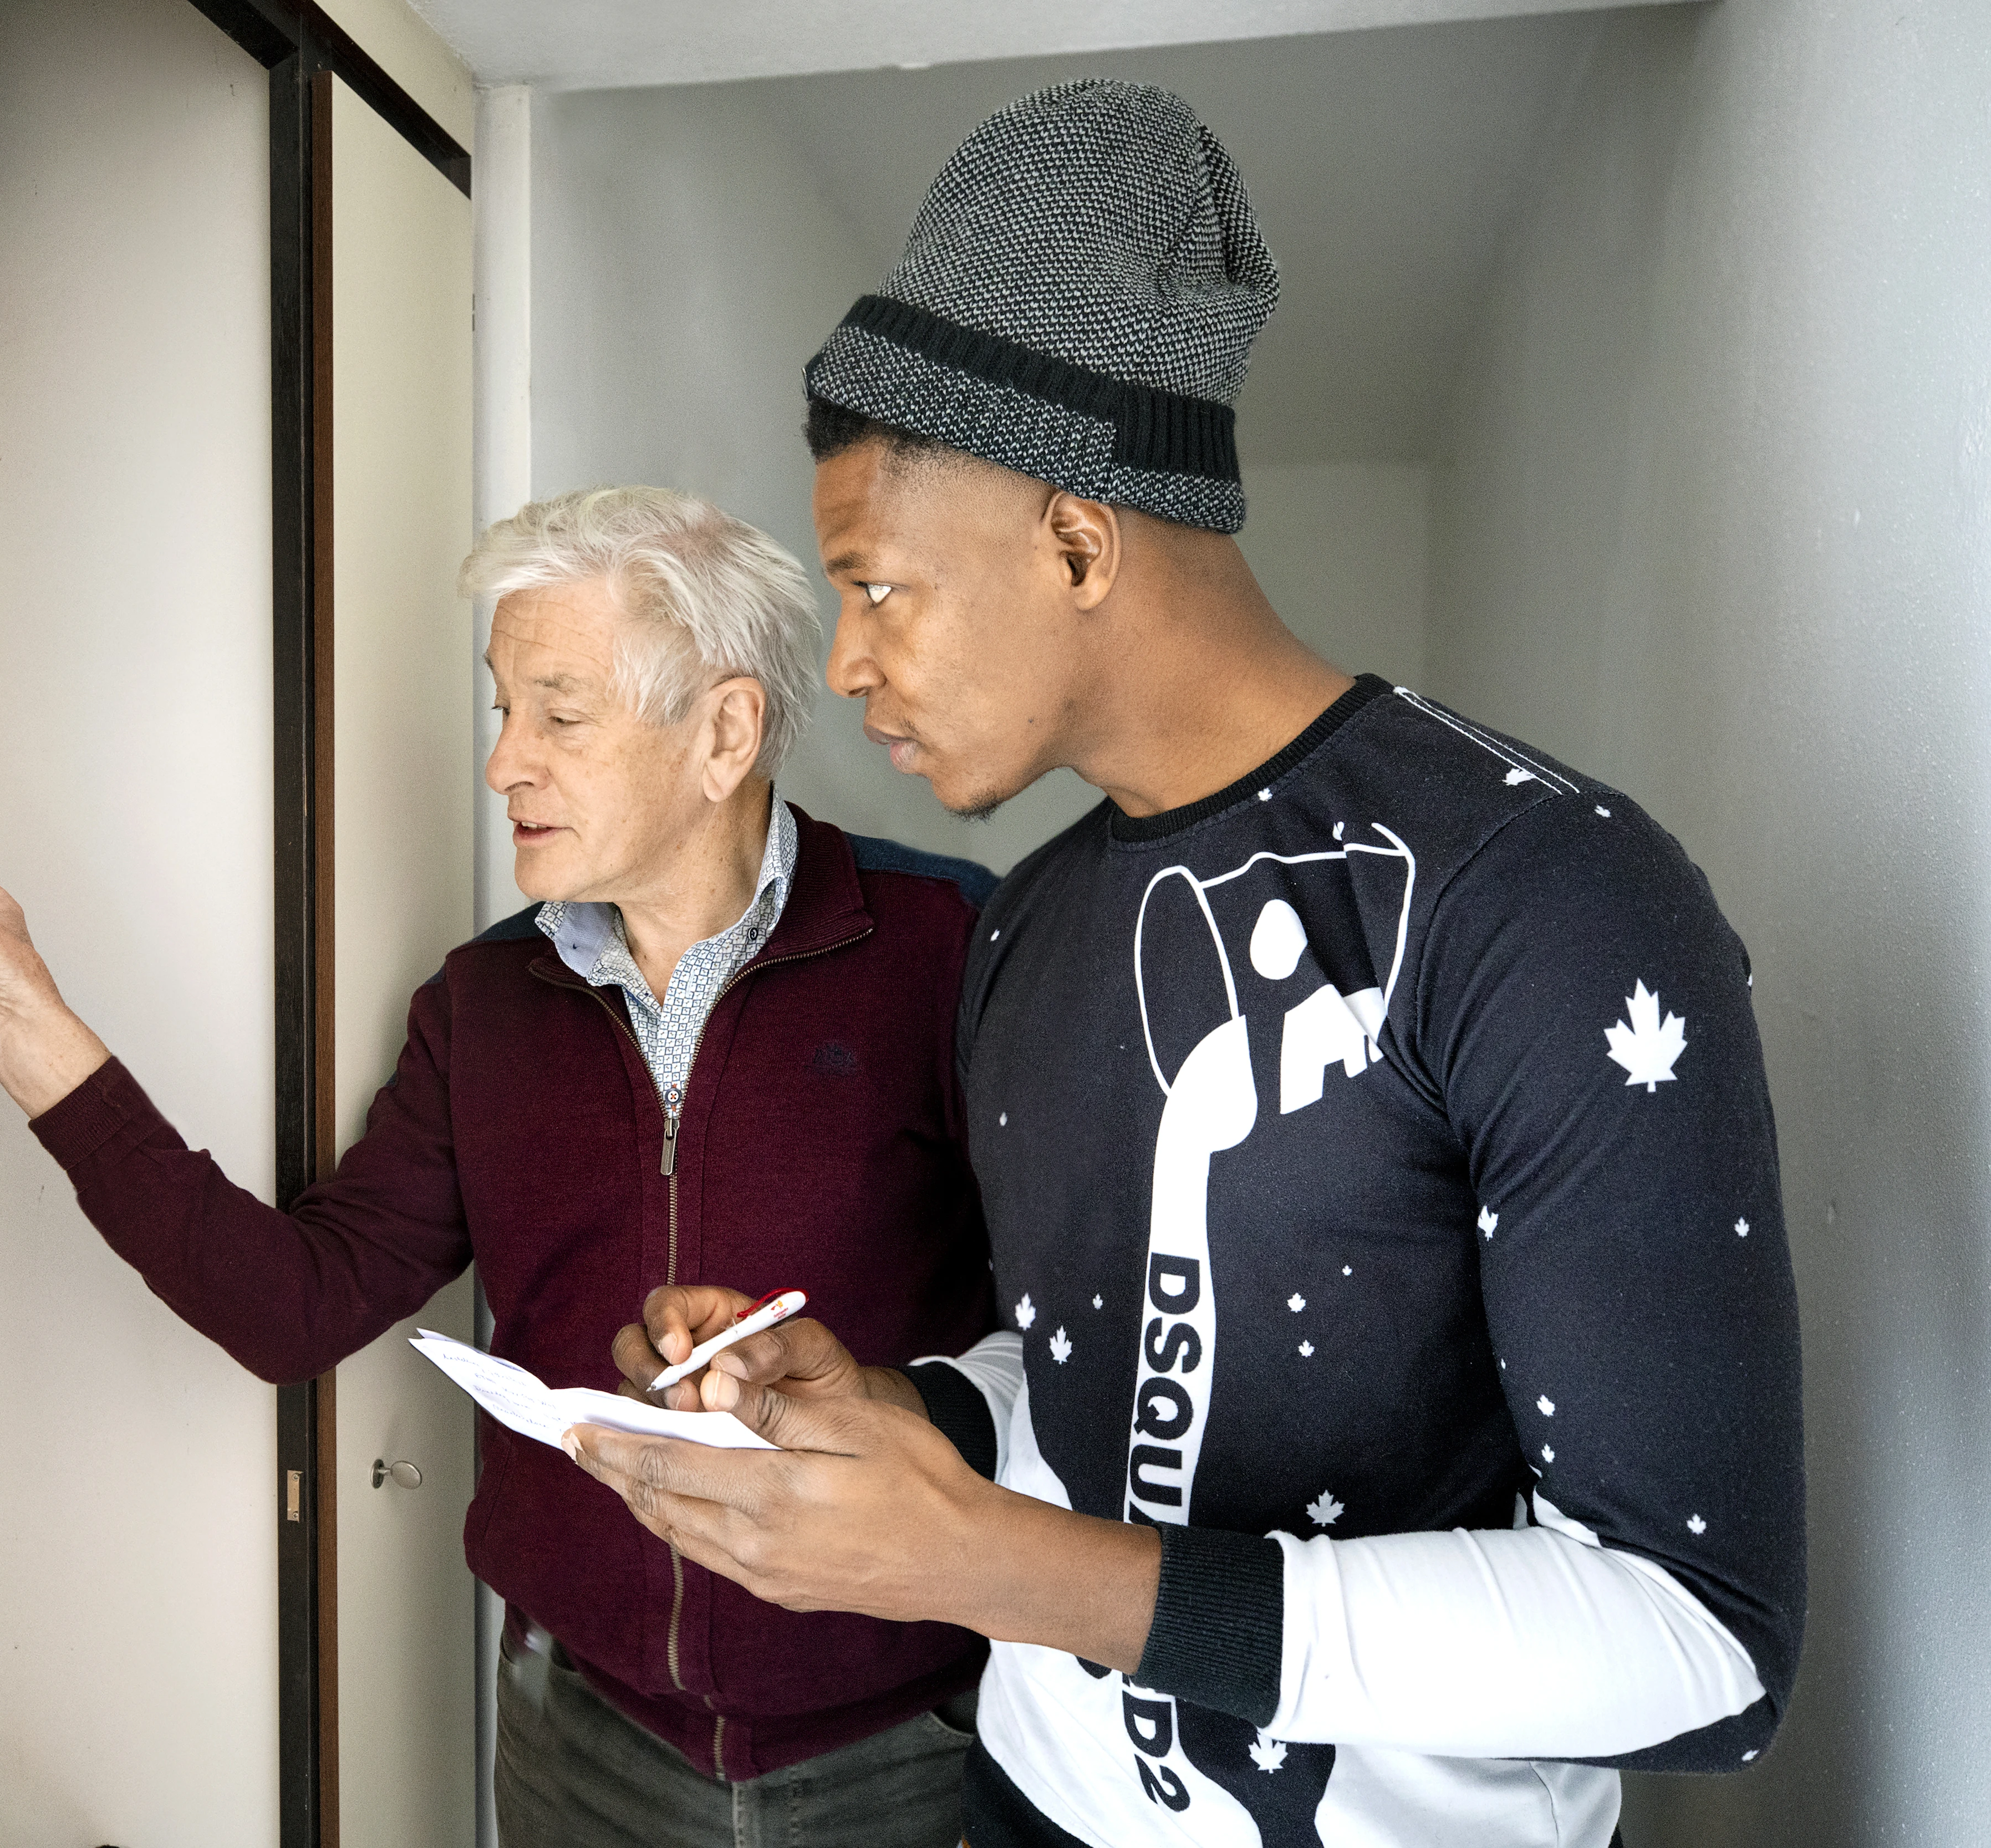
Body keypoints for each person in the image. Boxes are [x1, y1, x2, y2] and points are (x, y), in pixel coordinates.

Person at [568, 80, 1804, 1848]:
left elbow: (1703, 1641)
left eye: (879, 587)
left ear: (1077, 537)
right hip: (1032, 1808)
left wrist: (1014, 1568)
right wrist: (904, 1407)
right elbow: (1097, 1365)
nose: (845, 666)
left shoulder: (1541, 893)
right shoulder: (1029, 927)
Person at [0, 486, 1004, 1844]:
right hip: (580, 1740)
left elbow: (1080, 1350)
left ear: (723, 731)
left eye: (560, 715)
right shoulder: (484, 1004)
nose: (503, 763)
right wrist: (28, 1033)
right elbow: (291, 1305)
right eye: (501, 710)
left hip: (908, 1747)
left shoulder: (951, 953)